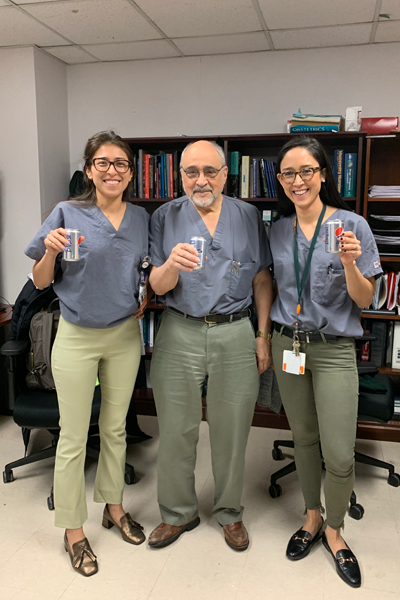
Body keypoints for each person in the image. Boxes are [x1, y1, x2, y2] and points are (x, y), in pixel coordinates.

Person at [25, 131, 149, 576]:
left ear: (131, 172)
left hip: (123, 336)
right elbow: (41, 281)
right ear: (89, 169)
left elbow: (144, 270)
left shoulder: (140, 219)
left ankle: (113, 508)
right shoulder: (66, 213)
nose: (112, 170)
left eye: (121, 163)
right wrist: (50, 253)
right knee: (74, 436)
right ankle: (72, 530)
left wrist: (144, 292)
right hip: (77, 335)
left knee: (115, 430)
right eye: (103, 162)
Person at [148, 140, 273, 551]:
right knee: (176, 428)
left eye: (210, 171)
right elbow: (157, 286)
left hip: (235, 330)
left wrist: (262, 335)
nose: (201, 180)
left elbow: (260, 278)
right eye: (190, 172)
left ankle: (229, 513)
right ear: (180, 175)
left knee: (232, 429)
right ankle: (177, 513)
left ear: (225, 174)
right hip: (179, 328)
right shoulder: (165, 216)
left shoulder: (248, 215)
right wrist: (169, 265)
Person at [269, 136, 382, 588]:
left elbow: (365, 298)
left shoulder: (352, 224)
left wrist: (351, 263)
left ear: (323, 175)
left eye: (306, 172)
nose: (298, 181)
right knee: (305, 439)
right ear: (280, 181)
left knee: (338, 450)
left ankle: (336, 531)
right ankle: (312, 517)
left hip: (334, 348)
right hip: (288, 344)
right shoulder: (276, 230)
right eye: (288, 174)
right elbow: (270, 284)